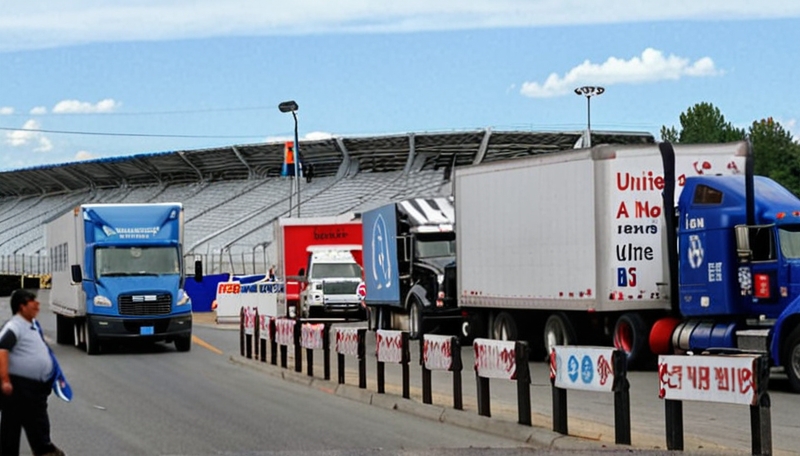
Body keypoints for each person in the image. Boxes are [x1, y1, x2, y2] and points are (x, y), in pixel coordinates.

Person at [0, 289, 65, 456]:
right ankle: (45, 449)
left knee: (23, 423)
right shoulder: (15, 326)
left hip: (32, 386)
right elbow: (2, 348)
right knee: (25, 424)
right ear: (22, 307)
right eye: (32, 303)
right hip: (20, 385)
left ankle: (44, 448)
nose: (37, 306)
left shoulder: (31, 326)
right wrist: (5, 379)